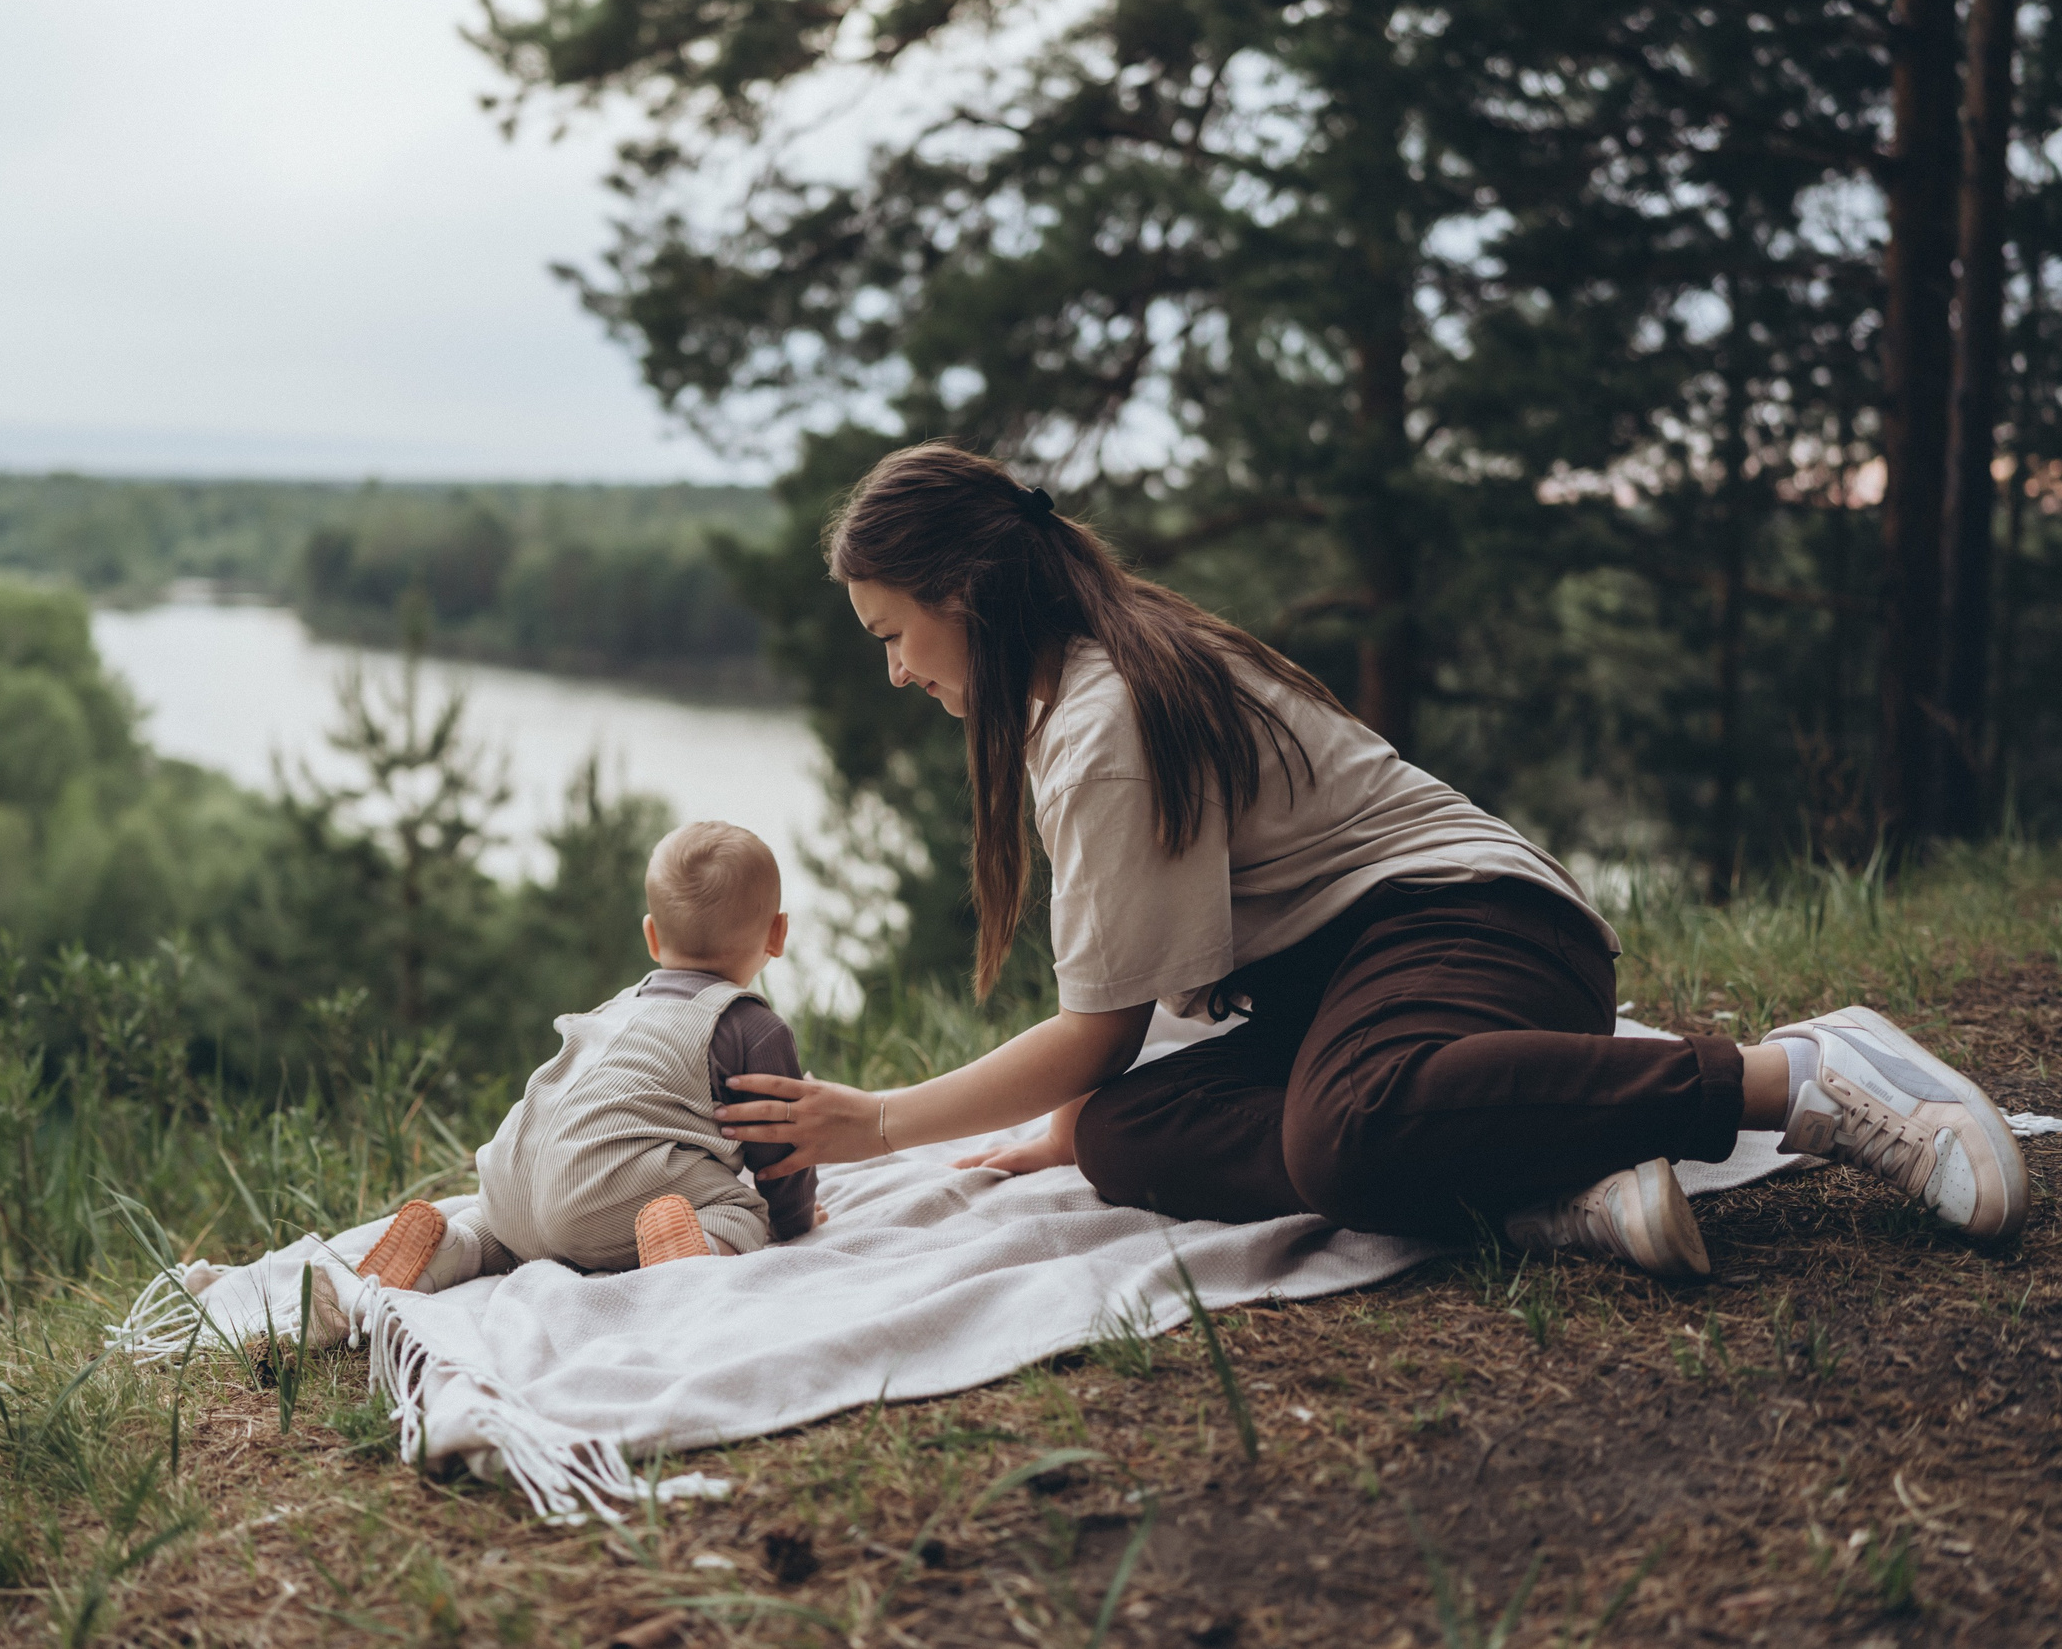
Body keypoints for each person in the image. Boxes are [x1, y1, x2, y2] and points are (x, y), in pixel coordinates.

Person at [707, 442, 2029, 1276]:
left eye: (892, 631)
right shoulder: (1078, 693)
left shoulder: (1103, 718)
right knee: (1118, 1132)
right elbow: (1123, 1061)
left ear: (968, 600)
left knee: (1337, 1134)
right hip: (1354, 986)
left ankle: (1805, 1078)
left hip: (1481, 933)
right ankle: (1543, 1190)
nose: (894, 669)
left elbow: (1096, 1026)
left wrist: (876, 1117)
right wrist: (1073, 1125)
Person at [353, 820, 821, 1292]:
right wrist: (794, 1218)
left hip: (509, 1179)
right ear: (777, 934)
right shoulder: (754, 1030)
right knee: (740, 1211)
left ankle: (453, 1246)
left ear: (652, 937)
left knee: (510, 1233)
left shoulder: (618, 1007)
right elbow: (784, 1149)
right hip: (600, 1196)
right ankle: (692, 1250)